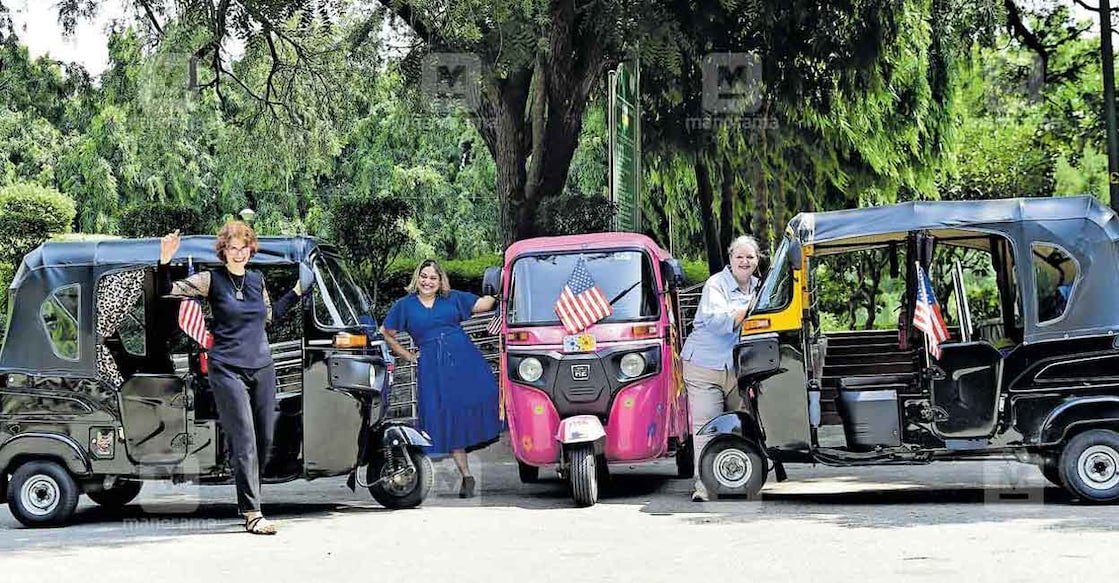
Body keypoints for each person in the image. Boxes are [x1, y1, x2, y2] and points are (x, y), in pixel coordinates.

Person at [159, 222, 303, 534]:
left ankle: (249, 496)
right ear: (223, 250)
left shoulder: (256, 280)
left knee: (265, 438)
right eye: (232, 248)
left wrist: (296, 292)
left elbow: (269, 317)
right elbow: (168, 290)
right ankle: (252, 513)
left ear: (251, 249)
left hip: (262, 365)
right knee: (245, 438)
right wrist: (166, 261)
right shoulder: (211, 279)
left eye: (243, 247)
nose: (238, 253)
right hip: (226, 368)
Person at [380, 259, 503, 498]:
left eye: (433, 278)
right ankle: (467, 475)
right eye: (424, 276)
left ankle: (512, 444)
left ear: (440, 281)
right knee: (446, 415)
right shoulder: (404, 306)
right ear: (418, 278)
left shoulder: (452, 298)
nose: (428, 281)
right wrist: (408, 355)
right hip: (433, 368)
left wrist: (504, 284)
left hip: (464, 359)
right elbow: (387, 332)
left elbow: (485, 304)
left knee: (489, 394)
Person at [681, 235, 762, 501]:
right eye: (739, 256)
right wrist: (749, 308)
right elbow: (718, 323)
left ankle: (737, 478)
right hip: (705, 365)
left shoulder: (760, 287)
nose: (745, 261)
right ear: (730, 259)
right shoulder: (716, 285)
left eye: (750, 257)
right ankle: (703, 486)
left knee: (742, 424)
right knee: (708, 425)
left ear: (757, 260)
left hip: (739, 369)